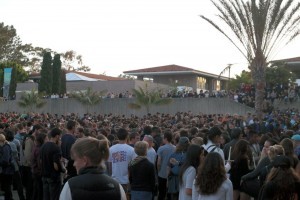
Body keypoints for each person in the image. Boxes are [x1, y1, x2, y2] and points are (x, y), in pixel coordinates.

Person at [60, 137, 126, 200]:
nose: (74, 164)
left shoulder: (70, 186)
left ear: (84, 160)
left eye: (75, 160)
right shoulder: (117, 186)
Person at [40, 128, 66, 200]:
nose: (60, 138)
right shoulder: (56, 148)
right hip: (53, 177)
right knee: (54, 197)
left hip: (44, 175)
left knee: (46, 196)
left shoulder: (43, 146)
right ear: (57, 136)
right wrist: (63, 170)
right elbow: (56, 166)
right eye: (60, 136)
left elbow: (41, 161)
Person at [108, 128, 136, 194]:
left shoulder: (111, 149)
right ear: (127, 137)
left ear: (117, 136)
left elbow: (109, 165)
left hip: (114, 180)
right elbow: (134, 165)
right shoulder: (131, 149)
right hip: (126, 181)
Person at [156, 130, 176, 200]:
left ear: (166, 138)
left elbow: (158, 162)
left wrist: (158, 171)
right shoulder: (175, 148)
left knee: (161, 193)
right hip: (171, 173)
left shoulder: (161, 148)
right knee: (170, 193)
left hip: (162, 173)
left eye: (163, 138)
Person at [0, 133, 15, 200]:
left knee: (7, 187)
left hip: (7, 170)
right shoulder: (5, 146)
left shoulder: (6, 147)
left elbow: (5, 160)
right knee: (6, 187)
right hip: (7, 170)